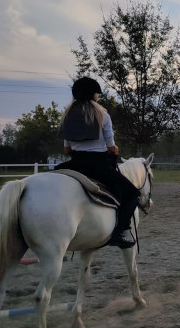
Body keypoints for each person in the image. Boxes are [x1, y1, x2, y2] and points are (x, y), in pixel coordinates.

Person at [55, 76, 139, 249]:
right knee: (132, 194)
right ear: (93, 95)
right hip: (96, 166)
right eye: (97, 94)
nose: (98, 97)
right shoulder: (102, 115)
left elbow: (67, 150)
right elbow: (111, 146)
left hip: (74, 163)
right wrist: (114, 150)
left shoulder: (68, 115)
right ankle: (120, 232)